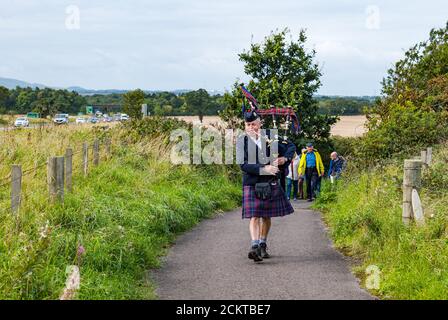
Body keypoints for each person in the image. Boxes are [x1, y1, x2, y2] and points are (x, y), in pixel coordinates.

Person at [239, 109, 296, 262]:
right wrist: (263, 169)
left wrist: (285, 158)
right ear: (245, 126)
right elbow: (243, 164)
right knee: (254, 215)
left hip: (269, 182)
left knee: (266, 215)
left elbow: (291, 147)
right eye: (248, 124)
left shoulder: (271, 137)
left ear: (260, 123)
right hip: (251, 182)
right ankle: (255, 245)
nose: (252, 127)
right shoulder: (242, 142)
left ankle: (263, 243)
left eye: (254, 124)